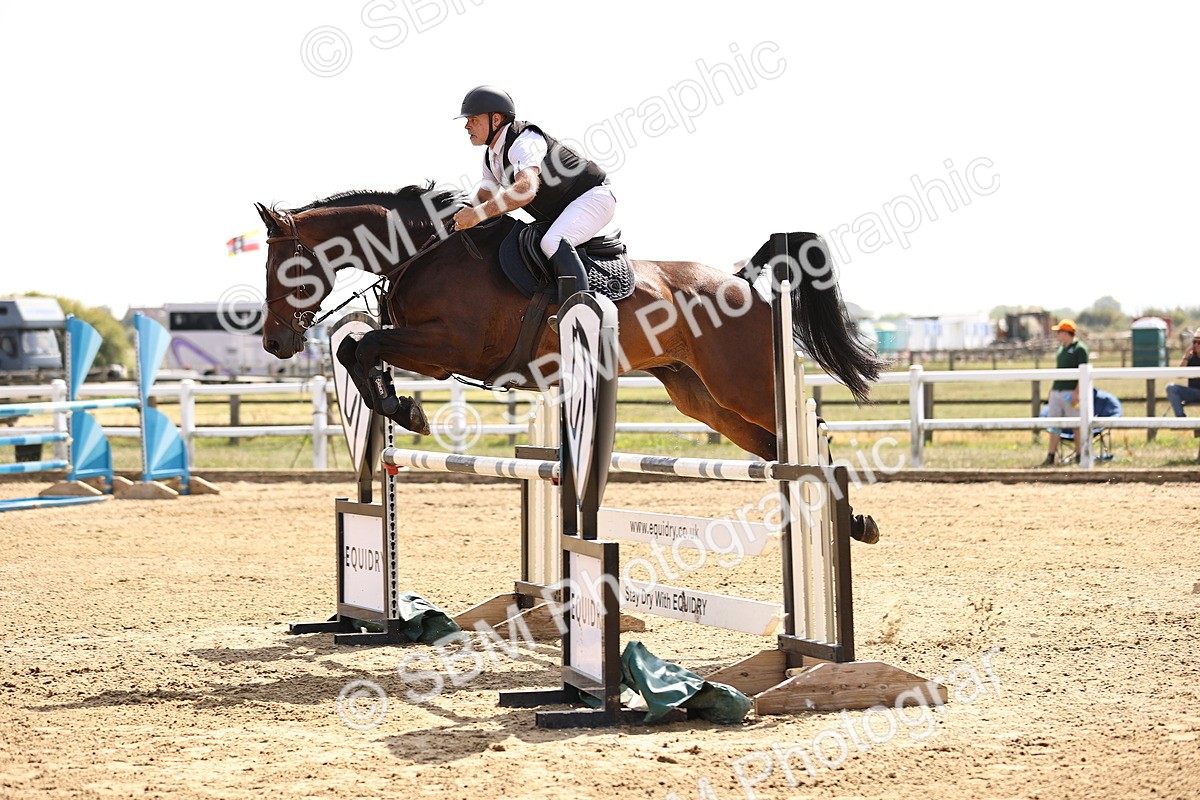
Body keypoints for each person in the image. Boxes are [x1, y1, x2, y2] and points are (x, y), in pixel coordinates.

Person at [450, 86, 617, 328]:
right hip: (564, 208)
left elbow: (525, 190)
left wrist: (476, 214)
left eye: (473, 120)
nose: (467, 126)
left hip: (594, 196)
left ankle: (581, 316)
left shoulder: (525, 141)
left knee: (552, 242)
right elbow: (485, 195)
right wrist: (453, 220)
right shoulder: (491, 156)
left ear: (496, 119)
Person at [1040, 319, 1089, 466]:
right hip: (1058, 390)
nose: (1057, 334)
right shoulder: (1061, 349)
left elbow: (1084, 373)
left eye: (1059, 332)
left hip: (1070, 392)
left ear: (1067, 333)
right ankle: (1050, 456)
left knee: (1076, 424)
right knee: (1054, 424)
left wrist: (1077, 393)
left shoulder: (1080, 349)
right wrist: (1051, 390)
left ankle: (1080, 454)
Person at [1166, 333, 1200, 416]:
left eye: (1199, 343)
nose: (1196, 345)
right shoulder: (1190, 358)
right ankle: (1181, 420)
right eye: (1194, 342)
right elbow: (1179, 375)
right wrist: (1186, 356)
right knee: (1171, 388)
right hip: (1193, 392)